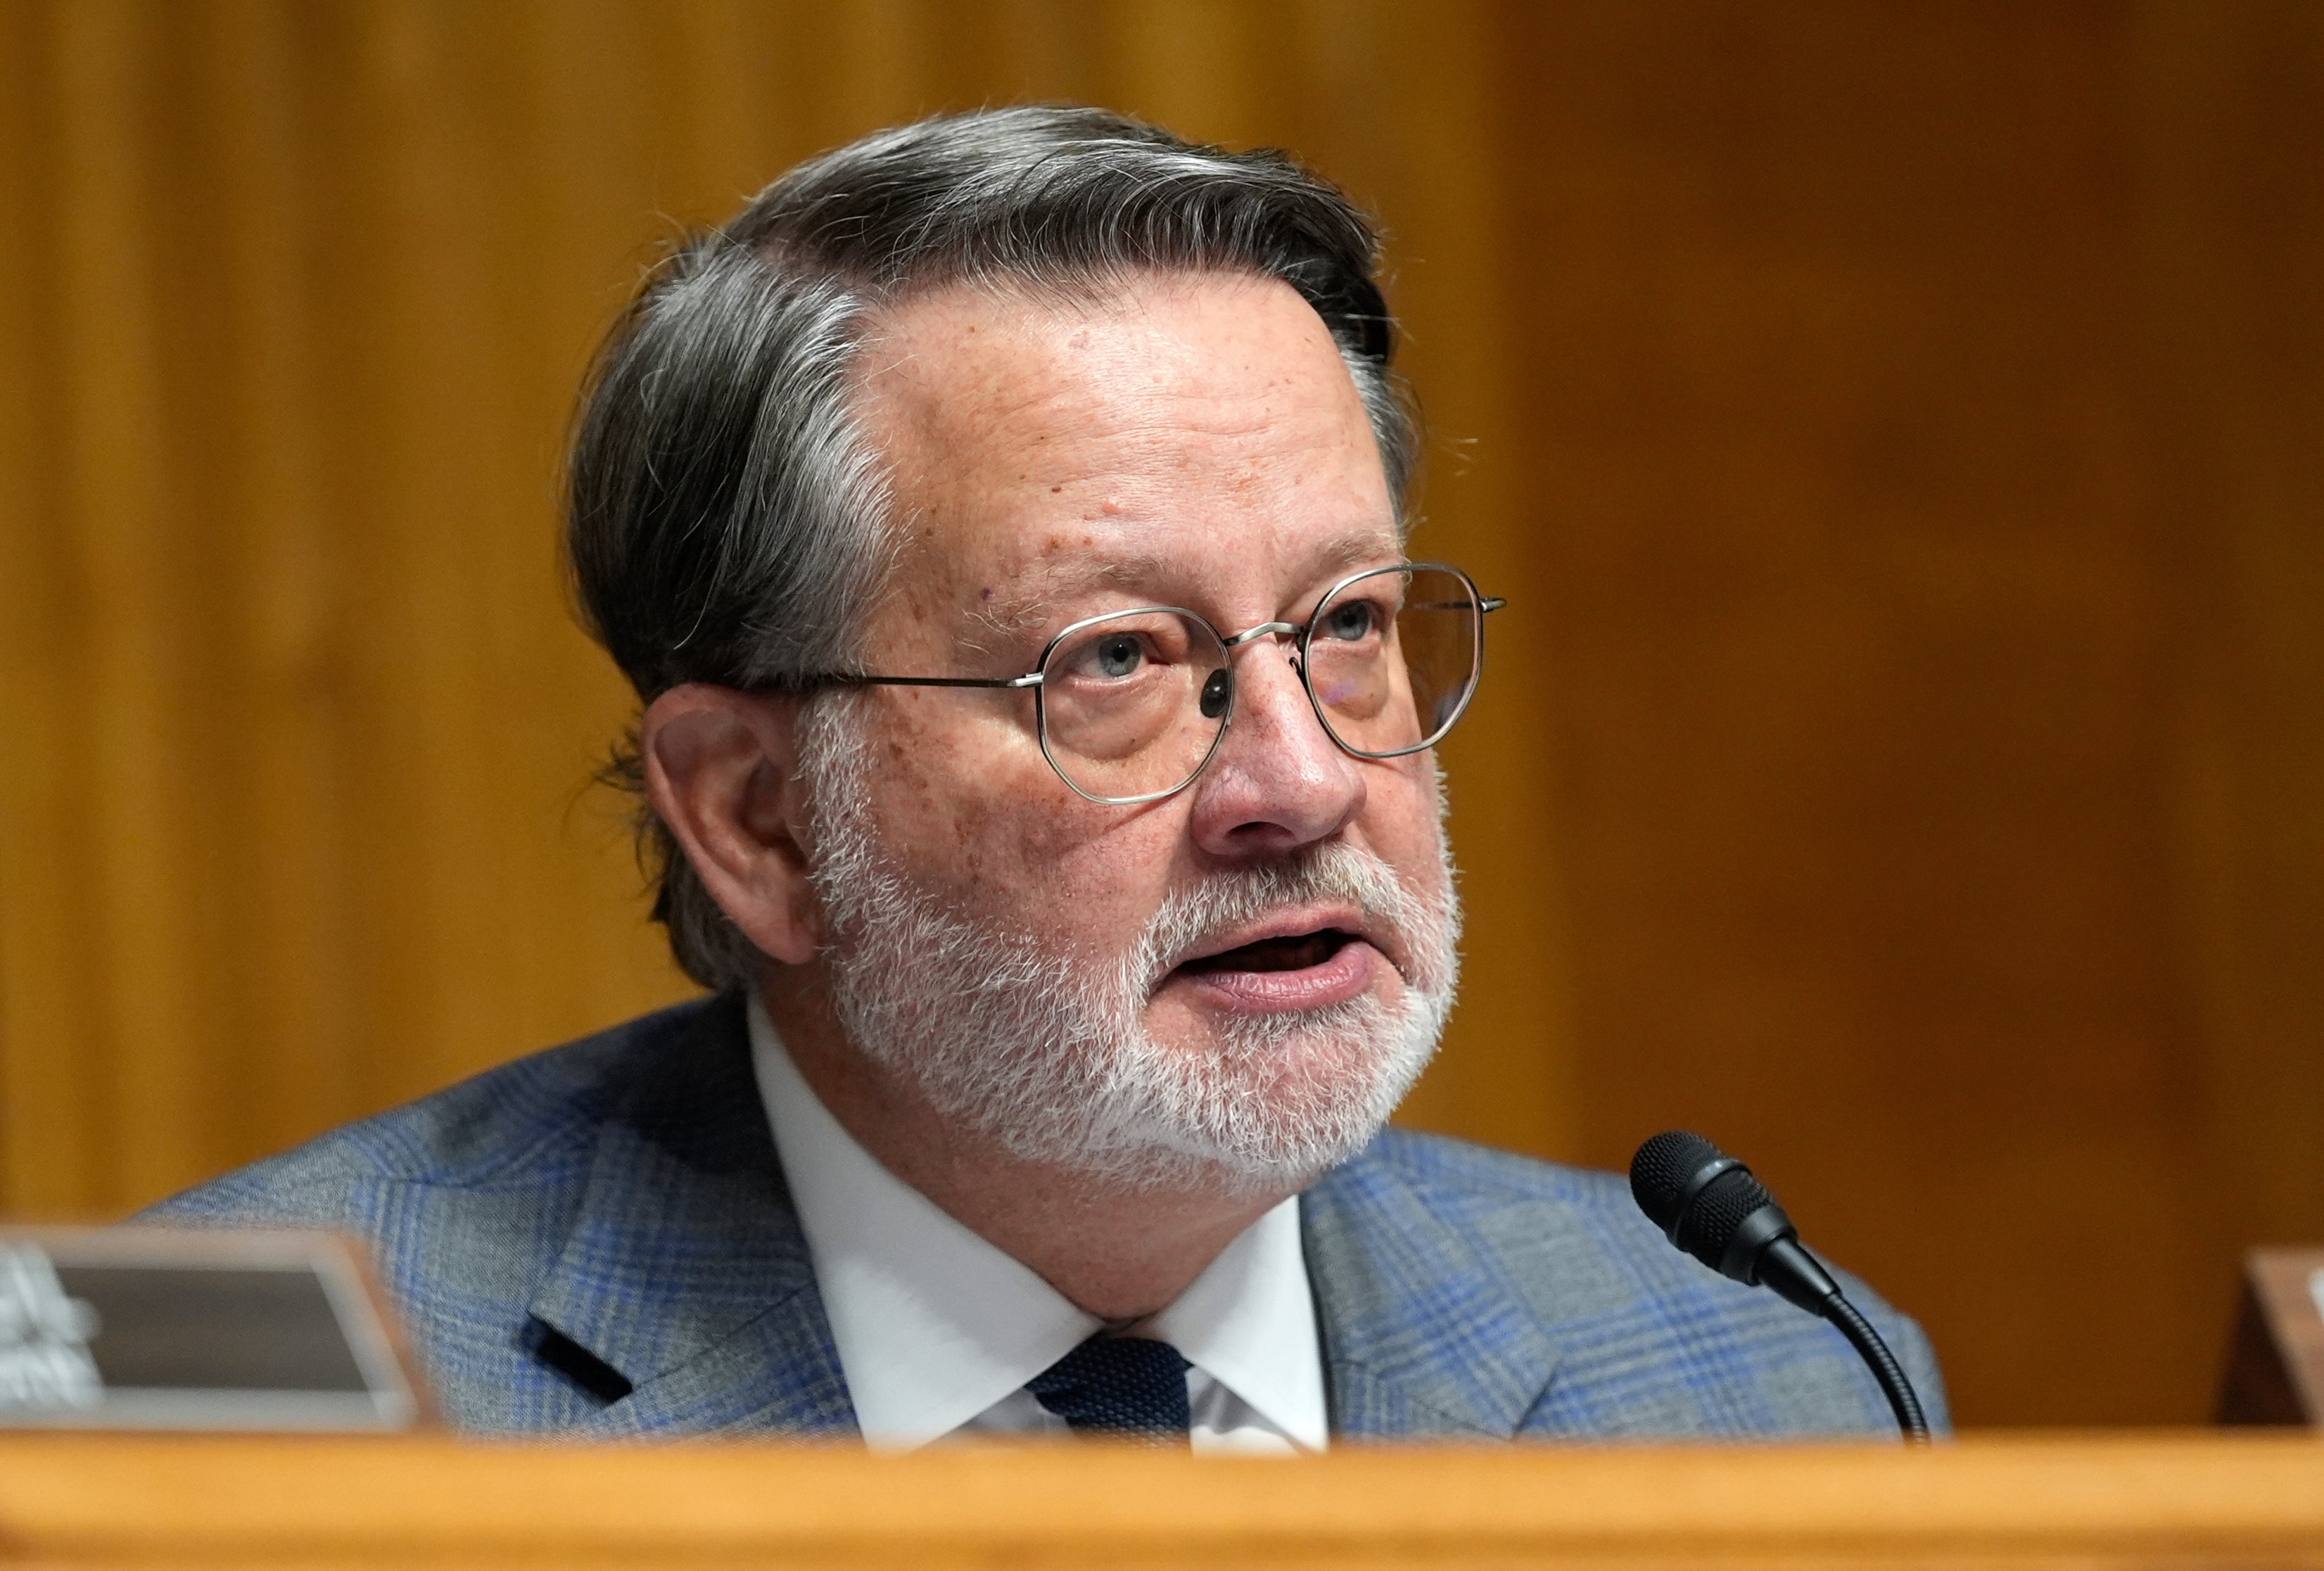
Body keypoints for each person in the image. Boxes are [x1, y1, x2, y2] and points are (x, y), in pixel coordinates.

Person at [149, 107, 1945, 1446]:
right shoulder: (274, 1435)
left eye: (1343, 624)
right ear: (759, 815)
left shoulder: (1768, 1377)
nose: (1299, 783)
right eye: (1116, 662)